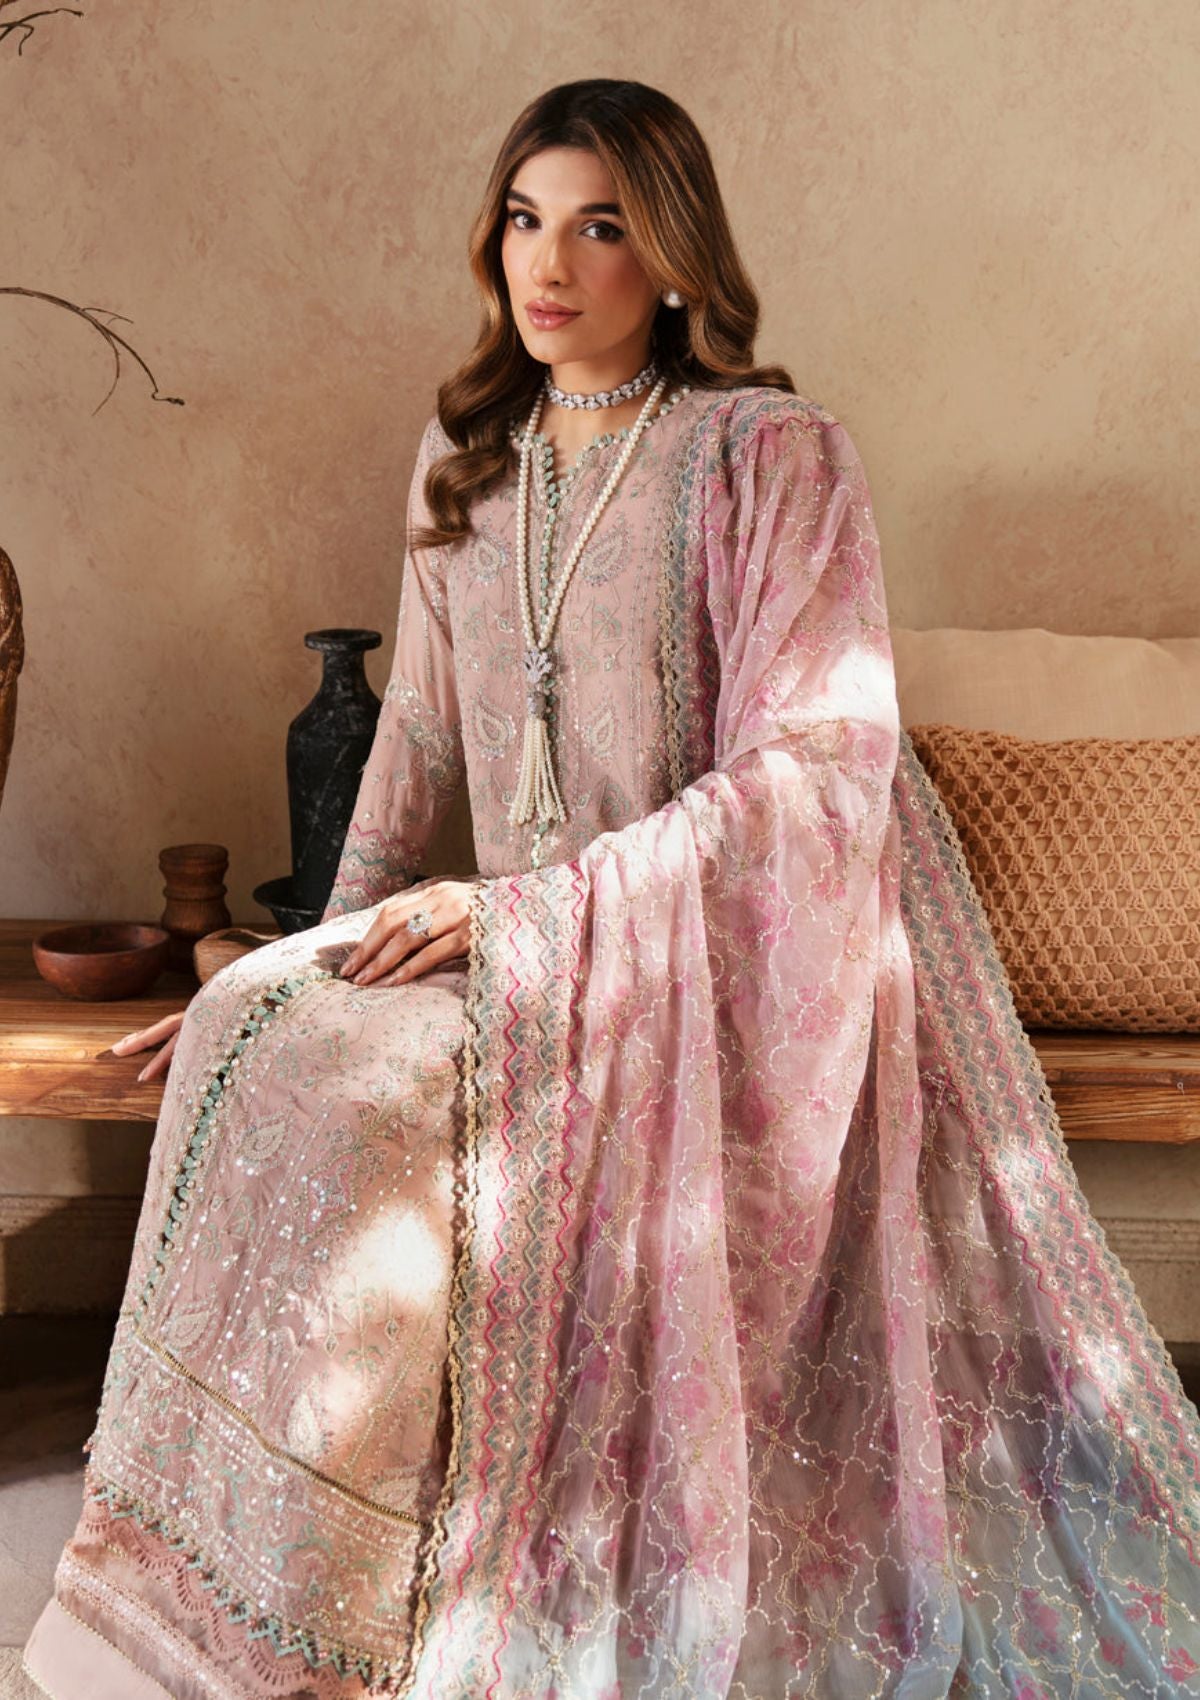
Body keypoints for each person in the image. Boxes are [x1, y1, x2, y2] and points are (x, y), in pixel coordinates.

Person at [23, 76, 1200, 1700]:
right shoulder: (464, 456)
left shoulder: (767, 454)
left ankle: (365, 1601)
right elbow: (417, 736)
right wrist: (304, 961)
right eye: (525, 219)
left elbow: (816, 771)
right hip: (521, 950)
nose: (549, 262)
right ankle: (230, 1598)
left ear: (674, 254)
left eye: (600, 226)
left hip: (705, 957)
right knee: (258, 1034)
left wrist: (528, 915)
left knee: (371, 1104)